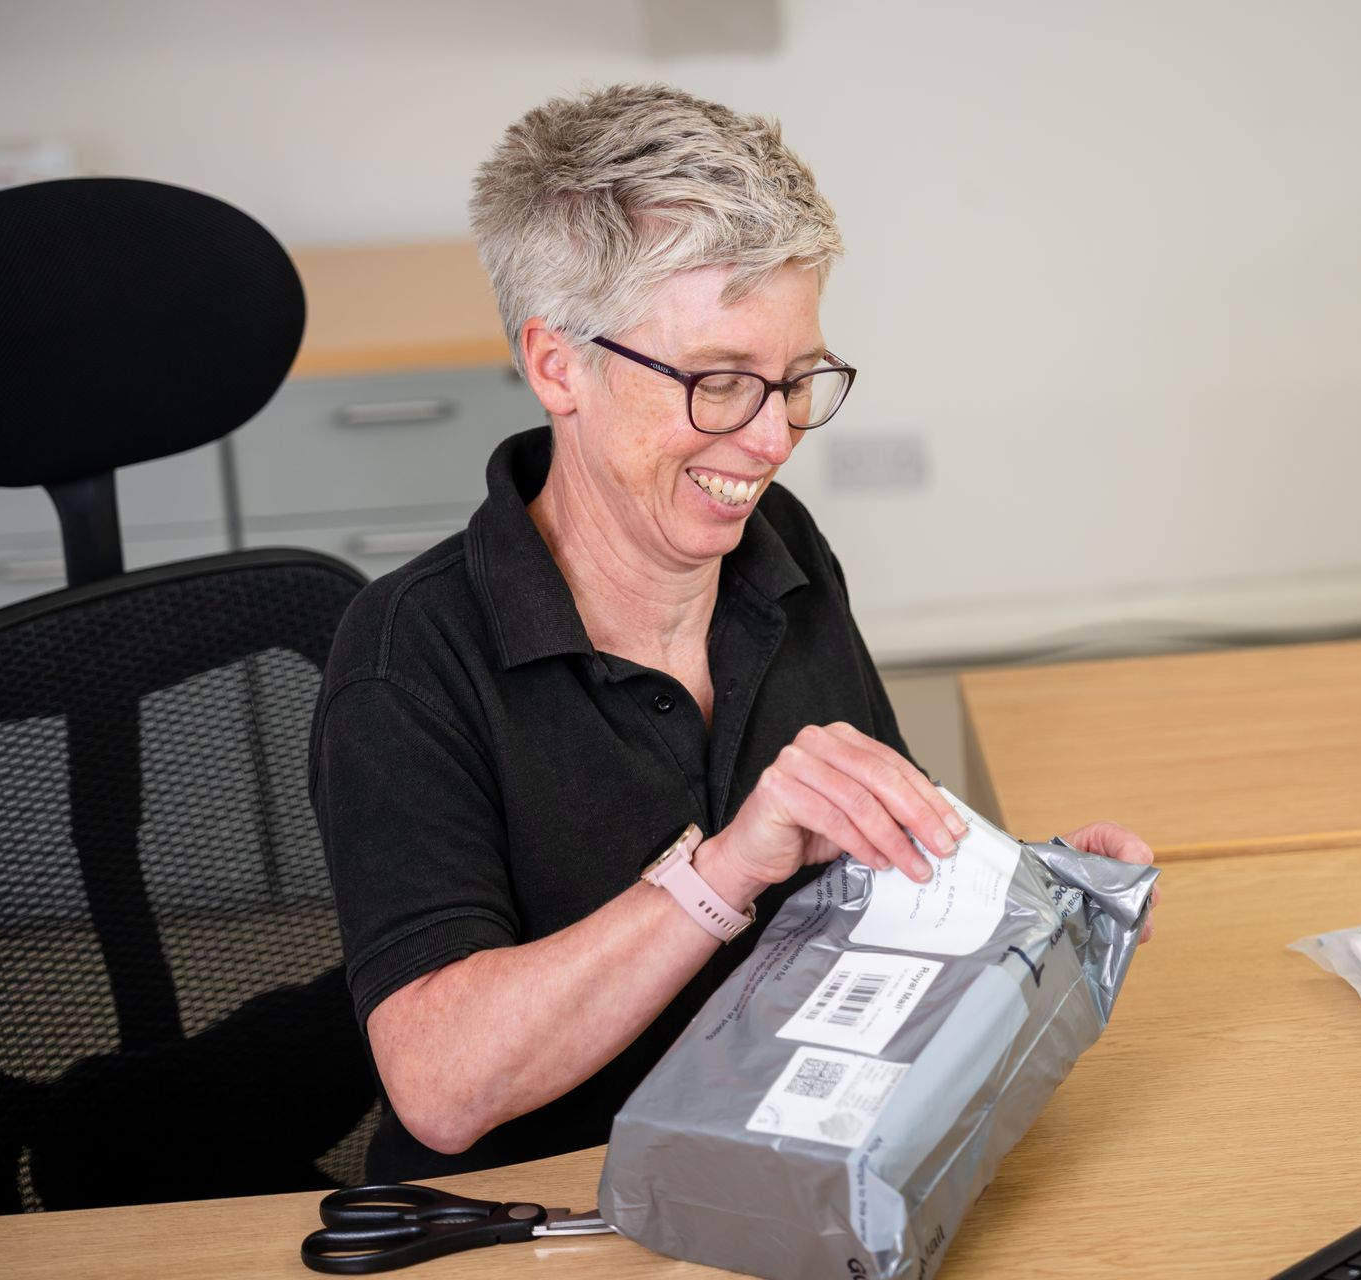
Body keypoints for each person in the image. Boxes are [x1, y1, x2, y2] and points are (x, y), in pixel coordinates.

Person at [310, 83, 1158, 1181]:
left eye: (798, 380)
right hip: (539, 1212)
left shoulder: (777, 547)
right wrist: (724, 873)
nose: (771, 440)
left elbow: (880, 873)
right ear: (558, 365)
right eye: (718, 382)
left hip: (786, 1160)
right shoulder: (409, 656)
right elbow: (440, 1086)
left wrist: (1031, 897)